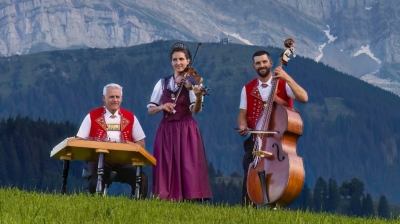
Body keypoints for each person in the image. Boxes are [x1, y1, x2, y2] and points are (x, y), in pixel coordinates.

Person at [237, 50, 308, 206]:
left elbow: (304, 97)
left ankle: (274, 207)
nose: (261, 65)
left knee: (278, 176)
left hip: (278, 142)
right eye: (258, 63)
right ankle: (247, 212)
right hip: (256, 141)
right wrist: (242, 125)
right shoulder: (247, 88)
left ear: (270, 63)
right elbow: (242, 113)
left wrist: (286, 77)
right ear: (253, 66)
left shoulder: (283, 84)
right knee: (249, 174)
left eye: (264, 62)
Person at [147, 42, 212, 201]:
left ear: (188, 61)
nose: (178, 63)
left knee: (187, 164)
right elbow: (150, 109)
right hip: (167, 129)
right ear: (171, 62)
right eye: (175, 59)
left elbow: (195, 110)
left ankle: (190, 197)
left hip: (186, 128)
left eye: (182, 59)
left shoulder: (193, 82)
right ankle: (166, 197)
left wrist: (197, 96)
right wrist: (162, 106)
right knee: (166, 164)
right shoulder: (162, 83)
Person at [76, 83, 148, 198]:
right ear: (103, 98)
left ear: (121, 98)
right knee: (96, 181)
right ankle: (95, 206)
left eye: (117, 97)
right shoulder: (92, 116)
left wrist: (132, 145)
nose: (115, 100)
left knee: (142, 179)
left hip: (123, 160)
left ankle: (137, 209)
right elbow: (79, 140)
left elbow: (141, 143)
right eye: (111, 97)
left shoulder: (130, 117)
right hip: (99, 158)